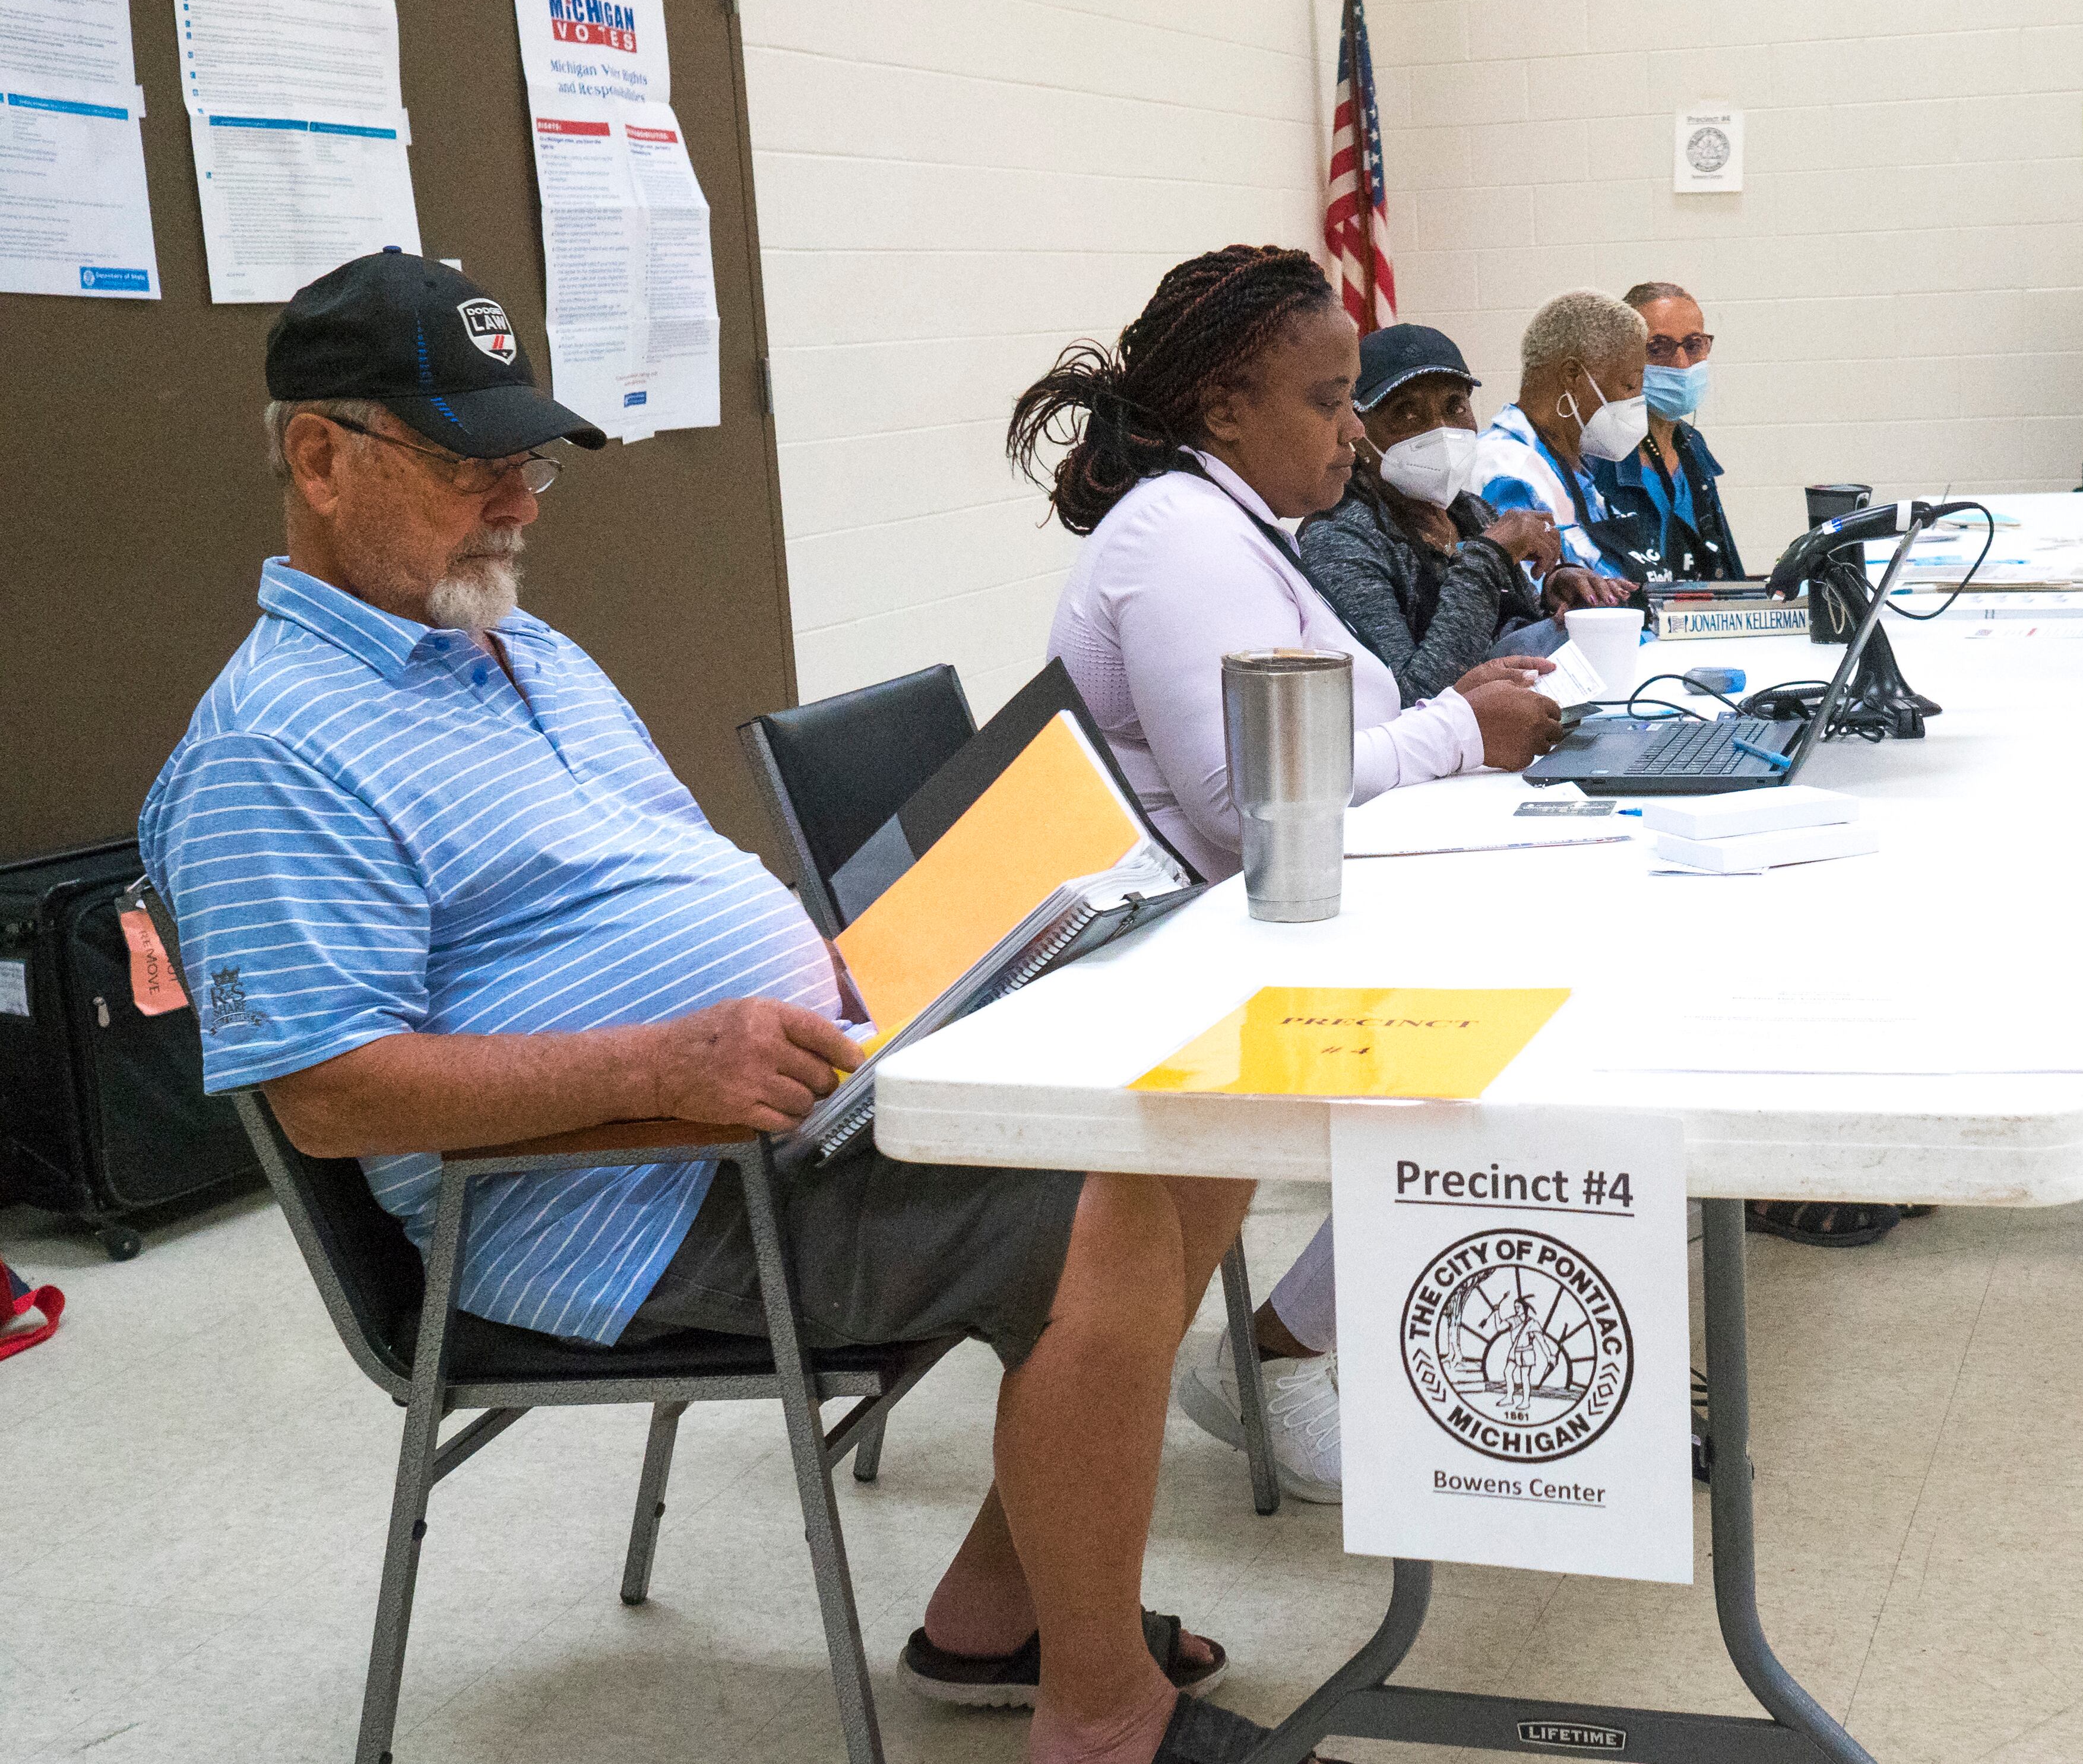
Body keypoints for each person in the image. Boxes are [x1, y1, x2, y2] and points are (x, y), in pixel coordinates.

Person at [142, 252, 1307, 1764]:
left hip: (766, 1113)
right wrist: (668, 1056)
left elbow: (650, 884)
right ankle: (1100, 1719)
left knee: (1188, 1099)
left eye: (533, 462)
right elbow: (334, 1093)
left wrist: (879, 968)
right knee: (1116, 1186)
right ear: (318, 455)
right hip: (620, 1199)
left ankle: (996, 1620)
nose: (516, 499)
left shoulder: (517, 645)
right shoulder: (273, 752)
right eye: (471, 463)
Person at [1020, 247, 1570, 1508]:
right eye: (1326, 402)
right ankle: (1285, 1351)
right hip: (1160, 954)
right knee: (1505, 1046)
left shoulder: (1239, 525)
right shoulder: (1179, 536)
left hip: (1237, 923)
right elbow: (1239, 804)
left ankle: (1296, 1341)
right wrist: (1453, 733)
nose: (1352, 436)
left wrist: (1453, 712)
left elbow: (1296, 763)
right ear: (1224, 407)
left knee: (1534, 997)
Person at [1302, 322, 1626, 702]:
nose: (1440, 430)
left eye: (1455, 406)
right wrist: (1491, 556)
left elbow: (1498, 637)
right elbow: (1411, 696)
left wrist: (1553, 593)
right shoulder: (1340, 539)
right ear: (1360, 428)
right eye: (1406, 414)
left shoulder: (1471, 511)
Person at [1474, 289, 1653, 584]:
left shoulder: (1573, 467)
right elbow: (1530, 603)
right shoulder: (1505, 468)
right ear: (1572, 375)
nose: (1638, 401)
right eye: (1630, 385)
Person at [1597, 282, 1745, 581]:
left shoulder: (1691, 445)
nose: (1681, 364)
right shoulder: (1598, 454)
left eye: (1694, 345)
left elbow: (1725, 572)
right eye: (1658, 347)